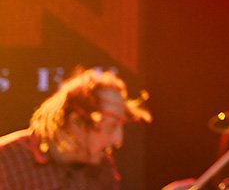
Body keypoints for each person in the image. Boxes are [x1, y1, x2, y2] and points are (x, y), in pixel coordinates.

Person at [0, 67, 152, 189]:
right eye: (111, 126)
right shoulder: (6, 161)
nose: (118, 140)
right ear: (77, 122)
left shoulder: (103, 169)